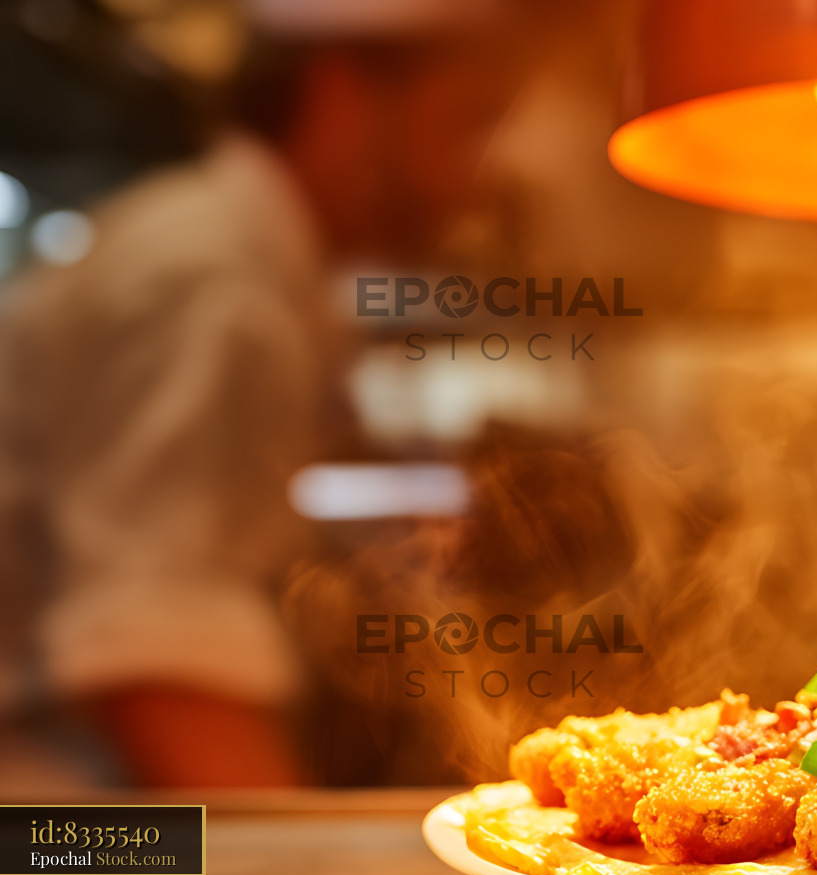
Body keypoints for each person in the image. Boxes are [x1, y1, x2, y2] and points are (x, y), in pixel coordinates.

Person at [0, 0, 520, 787]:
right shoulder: (214, 281)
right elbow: (156, 660)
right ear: (343, 92)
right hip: (49, 834)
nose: (477, 176)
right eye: (465, 125)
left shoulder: (234, 253)